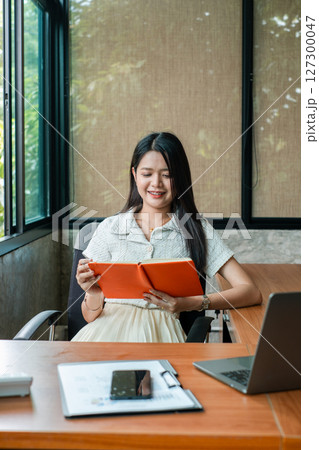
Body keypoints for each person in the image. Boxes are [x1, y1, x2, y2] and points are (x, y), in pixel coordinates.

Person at [72, 132, 262, 343]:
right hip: (106, 333)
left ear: (180, 178)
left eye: (167, 175)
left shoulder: (197, 230)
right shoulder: (110, 228)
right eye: (147, 174)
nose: (156, 183)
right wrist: (94, 291)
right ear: (134, 175)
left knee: (151, 376)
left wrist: (191, 303)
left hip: (162, 336)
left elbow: (251, 292)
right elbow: (89, 317)